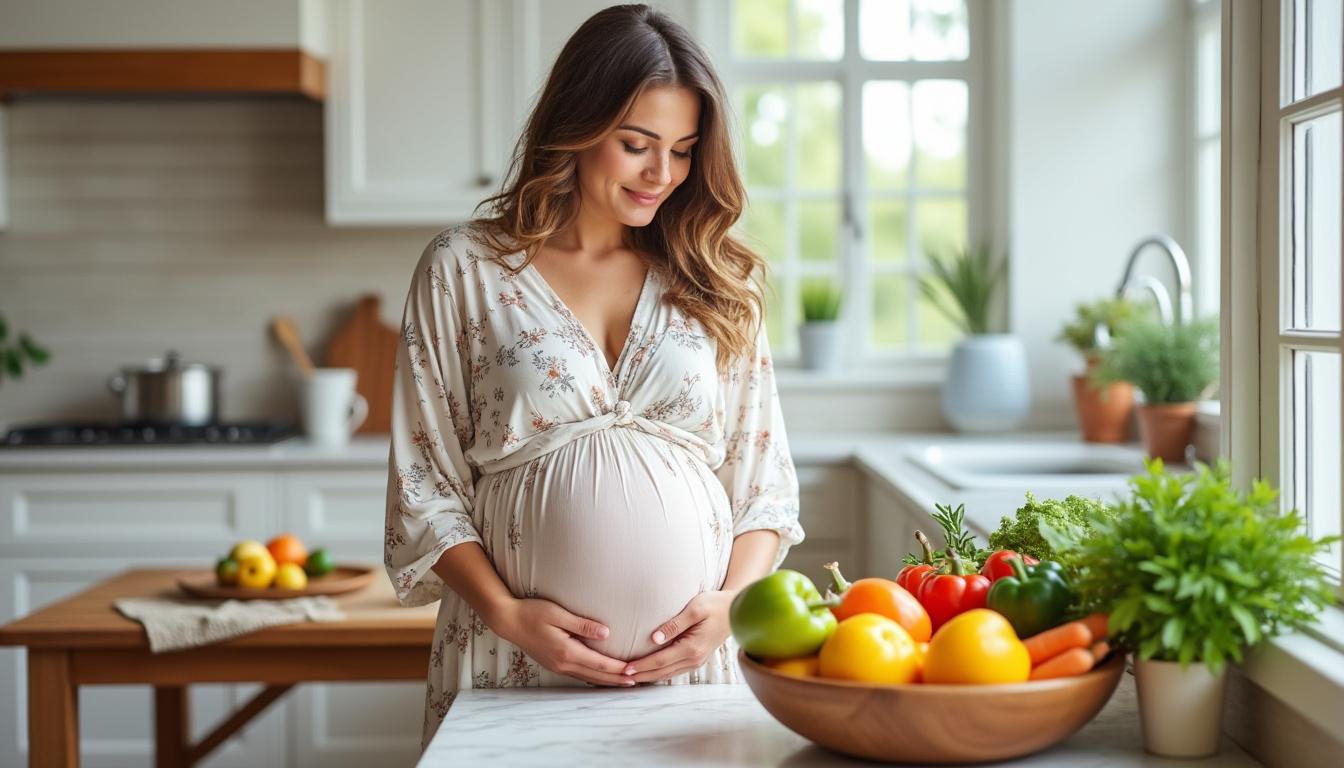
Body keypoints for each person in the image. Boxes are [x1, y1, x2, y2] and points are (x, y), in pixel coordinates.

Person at [383, 3, 804, 750]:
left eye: (682, 150)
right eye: (636, 144)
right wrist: (508, 615)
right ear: (574, 128)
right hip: (509, 659)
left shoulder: (716, 278)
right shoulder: (467, 270)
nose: (661, 175)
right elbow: (426, 485)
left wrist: (733, 603)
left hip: (691, 676)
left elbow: (762, 480)